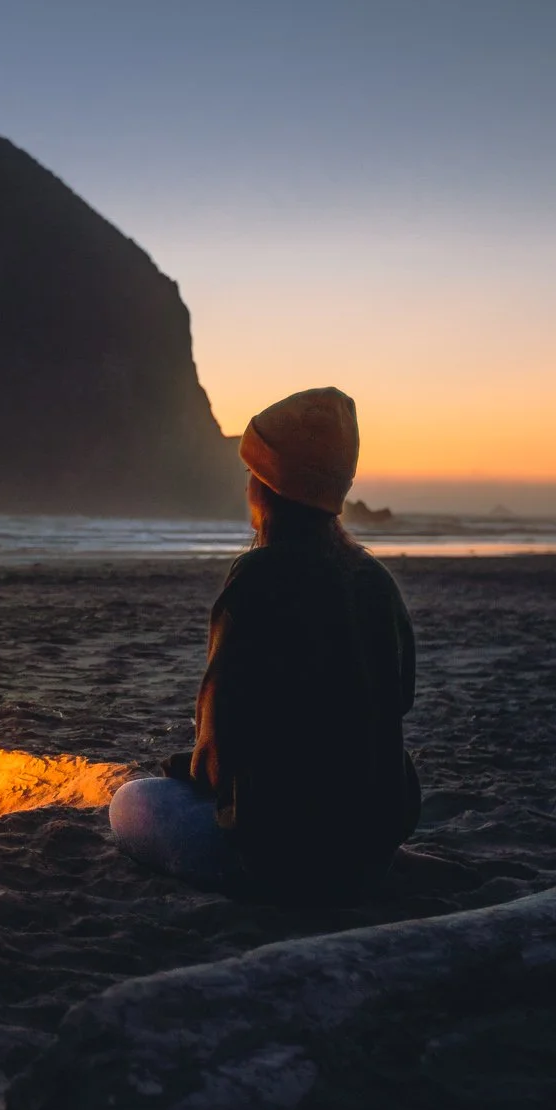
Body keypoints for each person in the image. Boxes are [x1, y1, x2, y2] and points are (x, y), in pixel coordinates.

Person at [109, 386, 420, 903]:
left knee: (130, 802)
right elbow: (396, 701)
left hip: (281, 857)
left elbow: (218, 745)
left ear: (265, 486)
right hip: (373, 845)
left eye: (253, 474)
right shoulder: (376, 580)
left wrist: (190, 772)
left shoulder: (256, 580)